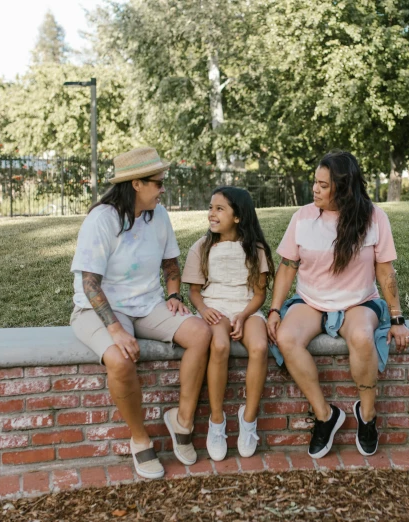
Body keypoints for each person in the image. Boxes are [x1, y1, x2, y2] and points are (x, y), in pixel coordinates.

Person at [70, 147, 211, 478]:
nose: (163, 189)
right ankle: (139, 437)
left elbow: (171, 265)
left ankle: (182, 420)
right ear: (136, 183)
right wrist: (116, 330)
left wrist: (174, 294)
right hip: (97, 308)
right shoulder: (102, 219)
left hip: (147, 304)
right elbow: (90, 284)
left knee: (200, 333)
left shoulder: (159, 215)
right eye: (158, 183)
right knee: (120, 360)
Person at [267, 151, 409, 459]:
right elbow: (287, 266)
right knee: (286, 338)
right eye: (315, 183)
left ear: (343, 188)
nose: (315, 190)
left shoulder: (374, 217)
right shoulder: (302, 217)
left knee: (362, 337)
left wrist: (398, 319)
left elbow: (385, 272)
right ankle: (325, 416)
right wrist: (274, 309)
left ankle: (368, 415)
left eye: (323, 185)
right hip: (311, 301)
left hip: (358, 301)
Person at [182, 187, 274, 461]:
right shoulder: (201, 247)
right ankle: (217, 421)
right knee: (219, 345)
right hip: (215, 308)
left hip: (245, 307)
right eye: (211, 207)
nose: (212, 213)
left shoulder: (255, 249)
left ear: (238, 216)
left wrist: (244, 316)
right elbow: (195, 291)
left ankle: (248, 420)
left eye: (219, 209)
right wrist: (204, 309)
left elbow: (260, 294)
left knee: (259, 347)